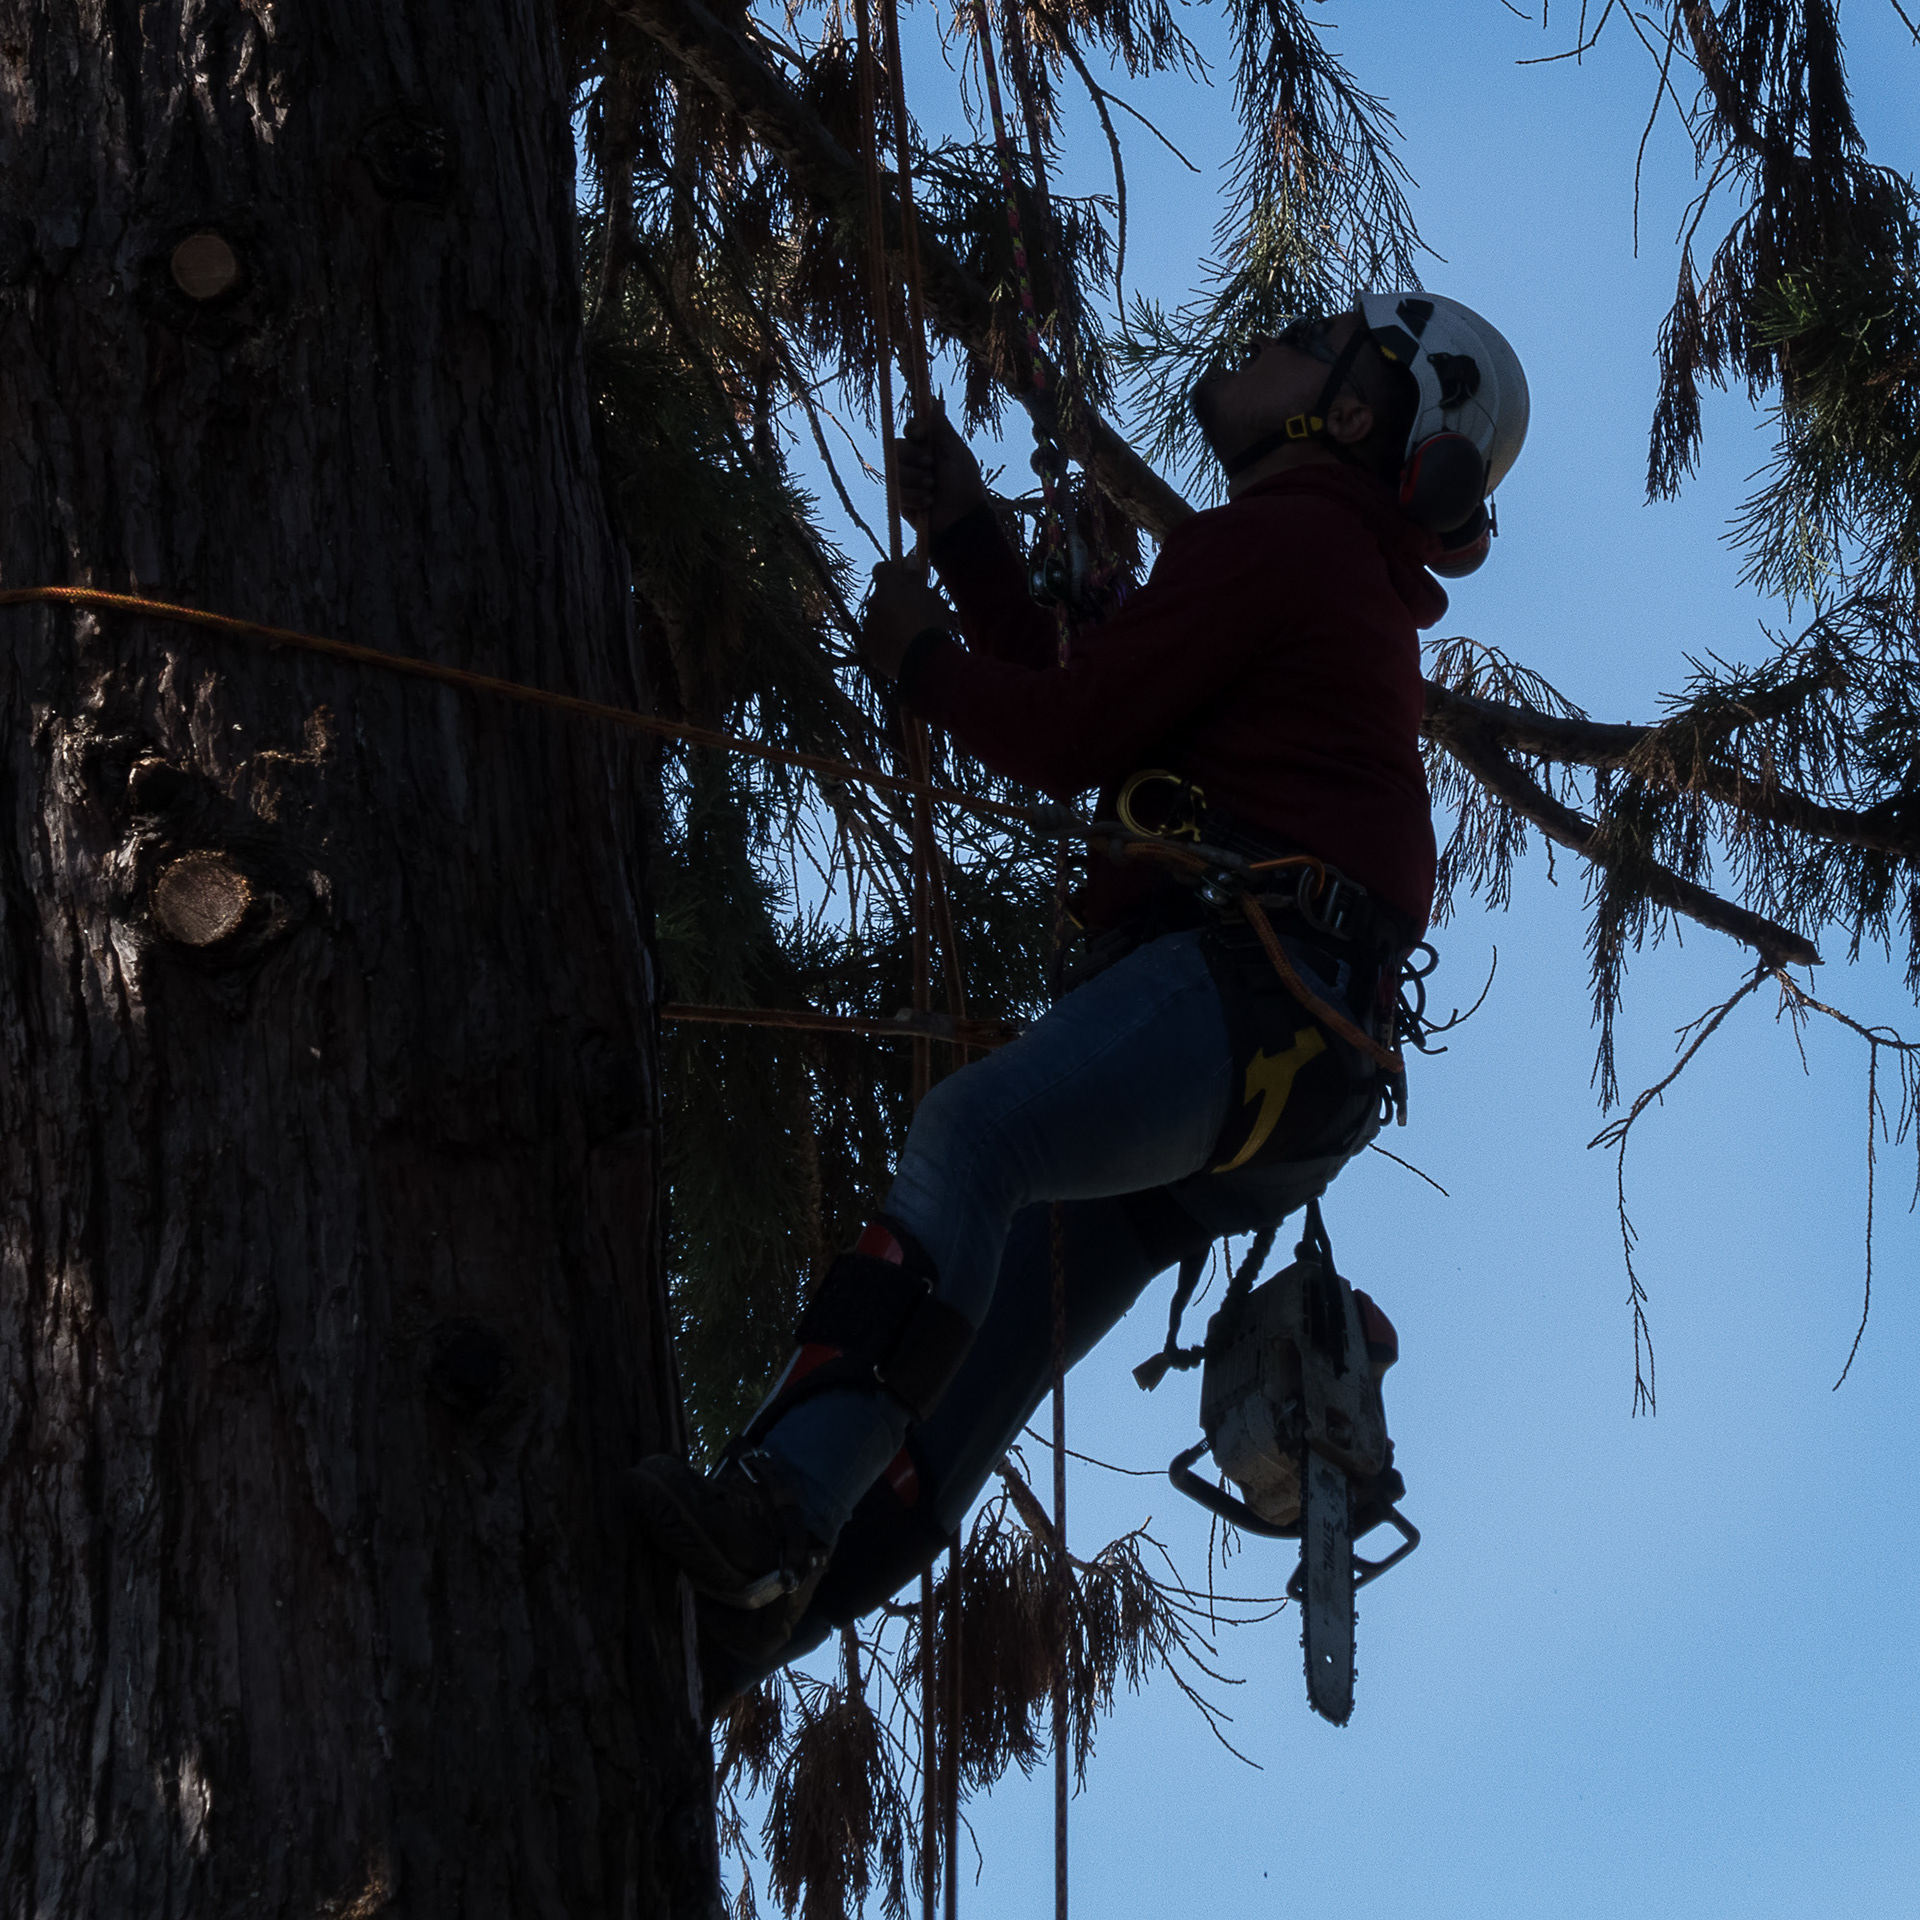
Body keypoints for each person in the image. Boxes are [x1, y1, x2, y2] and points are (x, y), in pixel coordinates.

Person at [630, 292, 1529, 1704]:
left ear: (1353, 411)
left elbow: (1071, 733)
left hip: (1246, 992)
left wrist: (920, 661)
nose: (1265, 343)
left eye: (1306, 341)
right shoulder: (1317, 567)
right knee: (976, 1373)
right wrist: (972, 544)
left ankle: (778, 1512)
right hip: (1284, 1067)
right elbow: (1105, 690)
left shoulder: (1290, 540)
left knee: (975, 1138)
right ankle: (728, 1643)